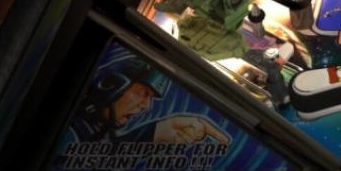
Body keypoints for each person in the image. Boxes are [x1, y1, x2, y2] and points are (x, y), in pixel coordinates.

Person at [68, 54, 230, 146]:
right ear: (111, 86)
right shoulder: (70, 132)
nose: (146, 106)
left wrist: (158, 131)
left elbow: (106, 152)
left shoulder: (89, 128)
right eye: (143, 93)